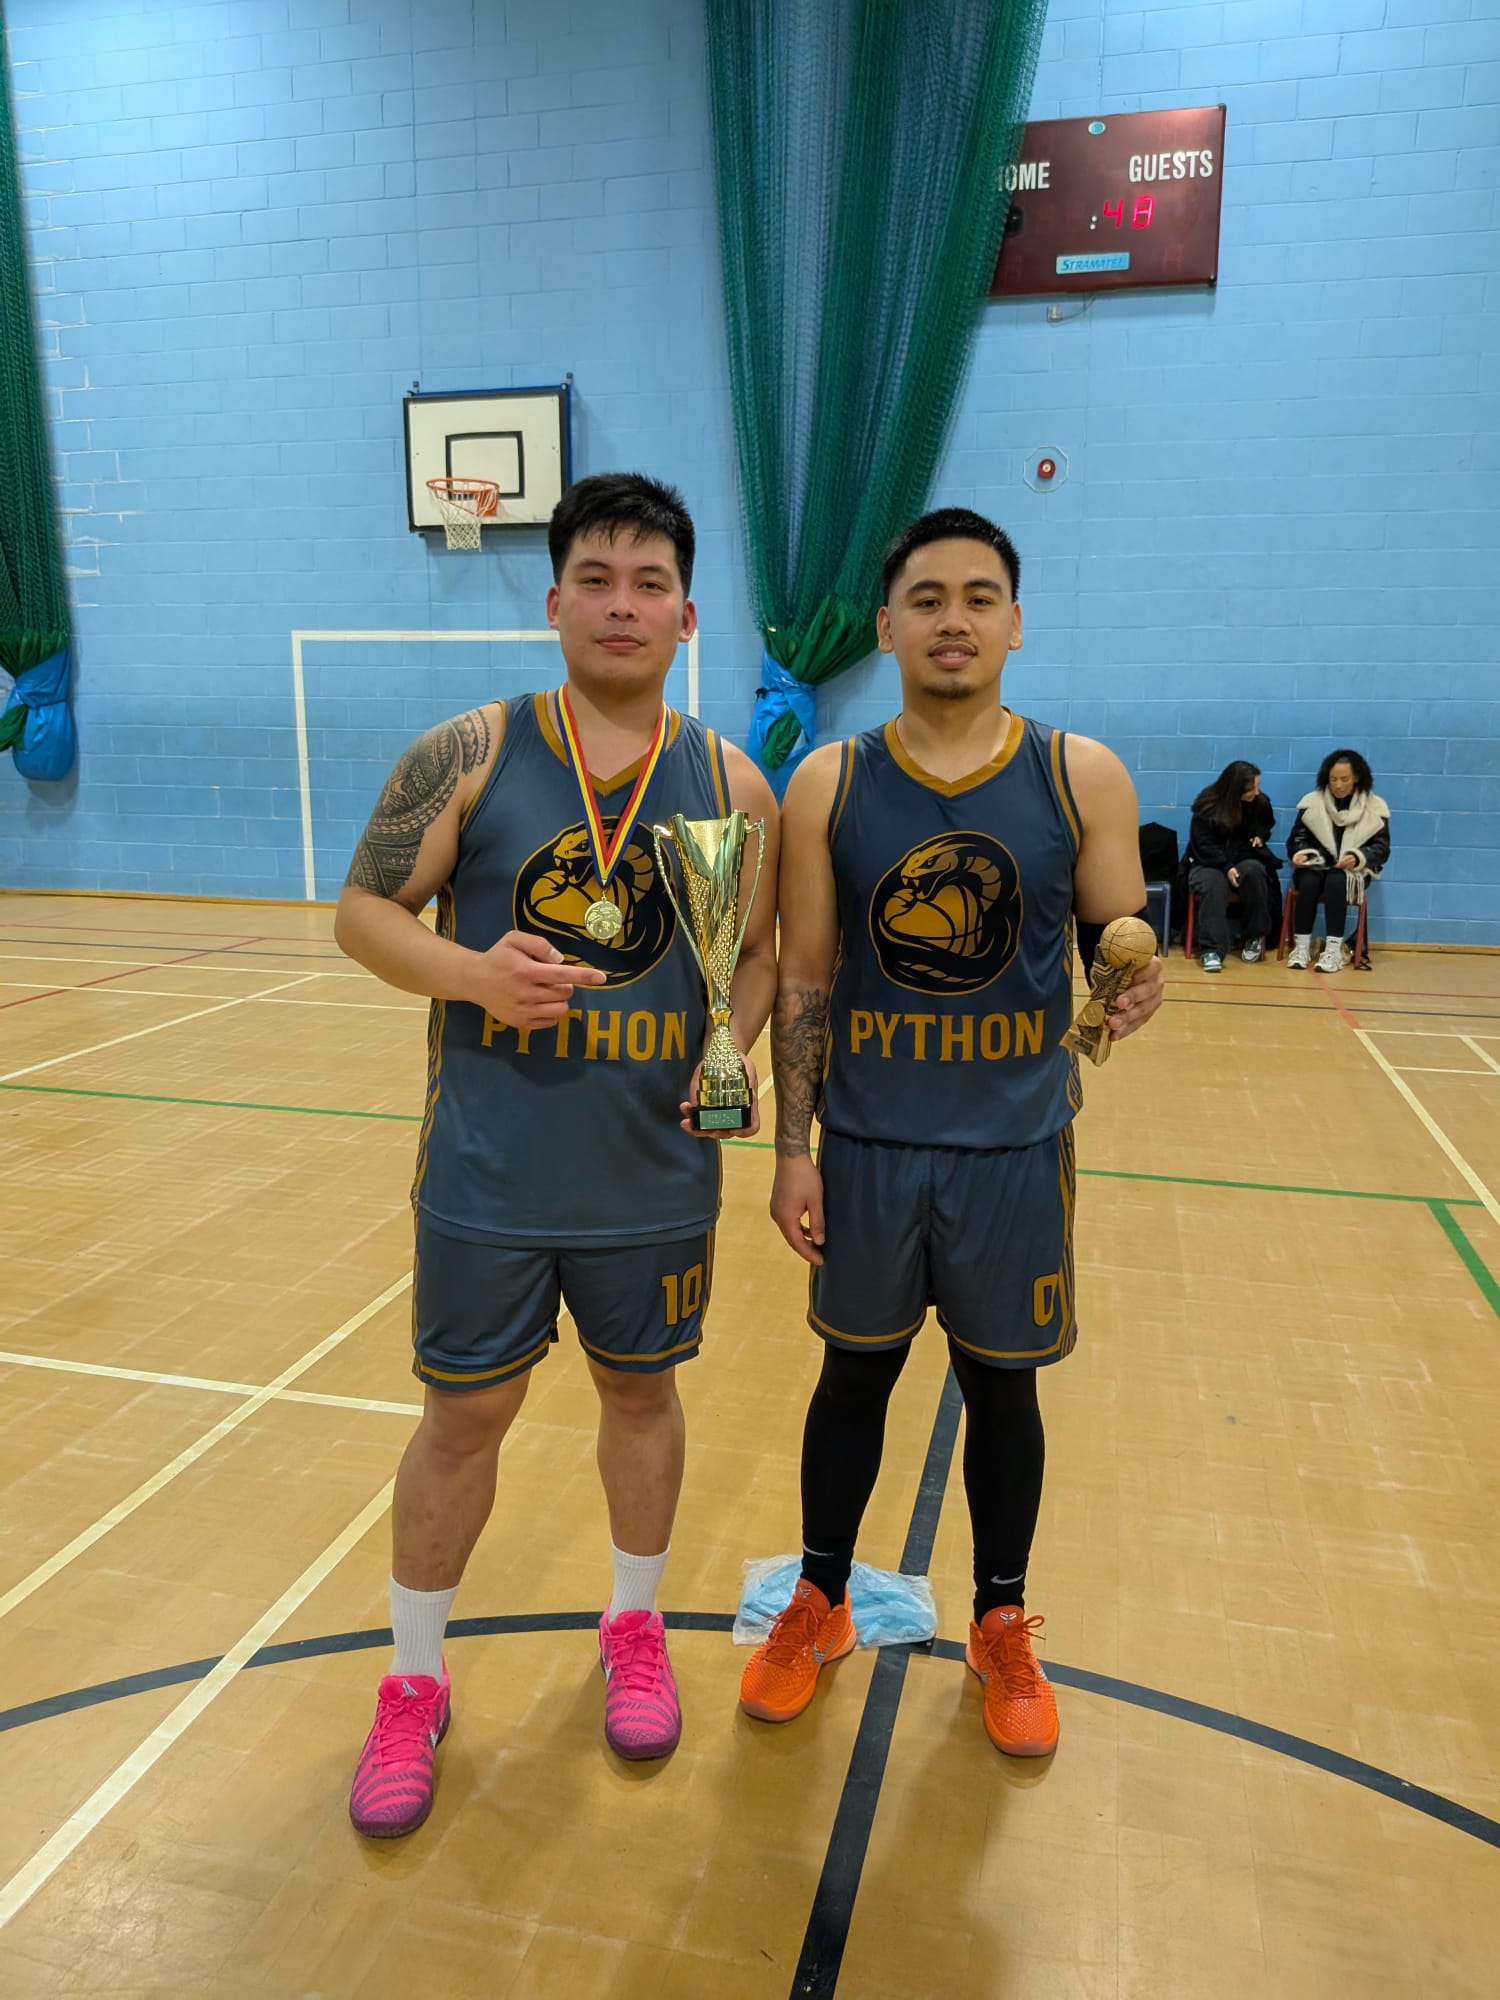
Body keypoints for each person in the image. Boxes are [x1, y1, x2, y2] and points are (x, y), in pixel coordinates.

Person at [334, 473, 778, 1836]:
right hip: (489, 1172)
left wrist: (729, 1055)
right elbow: (360, 911)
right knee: (464, 1419)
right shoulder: (467, 751)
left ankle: (632, 1627)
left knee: (641, 1402)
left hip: (652, 1177)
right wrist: (473, 973)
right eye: (597, 577)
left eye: (650, 583)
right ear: (555, 601)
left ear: (687, 613)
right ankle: (413, 1683)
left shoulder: (728, 778)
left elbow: (751, 958)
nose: (623, 603)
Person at [739, 507, 1164, 1758]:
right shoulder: (830, 780)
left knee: (1003, 1387)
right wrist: (793, 1148)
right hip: (869, 1143)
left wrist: (1137, 985)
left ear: (1015, 623)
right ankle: (817, 1595)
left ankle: (998, 1618)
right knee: (852, 1377)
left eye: (981, 597)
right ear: (887, 627)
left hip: (1014, 1148)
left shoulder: (1081, 773)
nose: (954, 619)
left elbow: (1116, 947)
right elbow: (805, 975)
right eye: (927, 598)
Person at [1286, 750, 1390, 972]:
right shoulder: (1312, 803)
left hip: (1353, 872)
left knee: (1335, 881)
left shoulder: (1375, 807)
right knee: (1309, 882)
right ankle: (1301, 947)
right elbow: (1297, 838)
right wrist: (1300, 852)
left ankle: (1333, 950)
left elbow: (1381, 849)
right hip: (1317, 866)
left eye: (1344, 779)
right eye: (1333, 779)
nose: (1338, 785)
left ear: (1357, 777)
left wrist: (1358, 857)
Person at [1186, 761, 1279, 972]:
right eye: (1251, 788)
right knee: (1213, 883)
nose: (1256, 792)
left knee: (1255, 872)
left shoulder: (1259, 802)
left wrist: (1260, 835)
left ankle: (1254, 936)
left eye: (1258, 786)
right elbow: (1203, 845)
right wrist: (1226, 866)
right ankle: (1212, 949)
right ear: (1235, 789)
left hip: (1242, 857)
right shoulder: (1206, 806)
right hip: (1208, 861)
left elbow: (1267, 822)